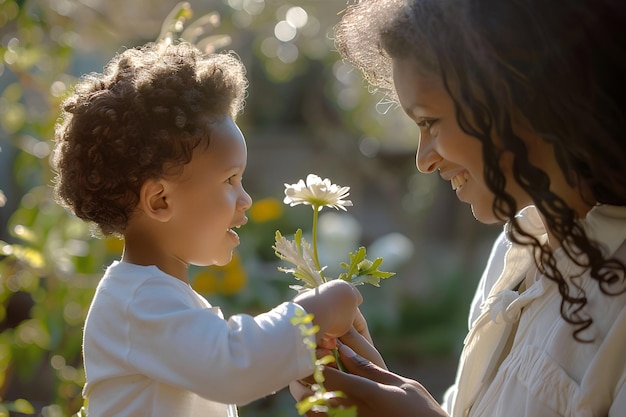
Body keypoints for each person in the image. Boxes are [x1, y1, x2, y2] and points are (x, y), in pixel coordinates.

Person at [291, 0, 626, 416]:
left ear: (518, 98)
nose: (423, 160)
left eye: (429, 121)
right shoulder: (515, 253)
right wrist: (379, 396)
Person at [51, 40, 361, 417]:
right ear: (160, 201)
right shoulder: (137, 302)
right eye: (230, 180)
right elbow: (233, 365)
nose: (245, 199)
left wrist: (293, 362)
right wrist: (319, 309)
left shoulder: (161, 297)